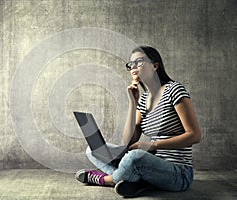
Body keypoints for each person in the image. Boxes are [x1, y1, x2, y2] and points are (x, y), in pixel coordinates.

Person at [75, 46, 201, 197]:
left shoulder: (174, 90)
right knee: (94, 150)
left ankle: (108, 179)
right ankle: (134, 180)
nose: (133, 67)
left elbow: (194, 135)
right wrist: (132, 104)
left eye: (139, 62)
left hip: (178, 173)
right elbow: (129, 140)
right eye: (131, 64)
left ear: (155, 66)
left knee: (134, 157)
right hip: (150, 164)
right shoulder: (142, 100)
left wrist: (153, 145)